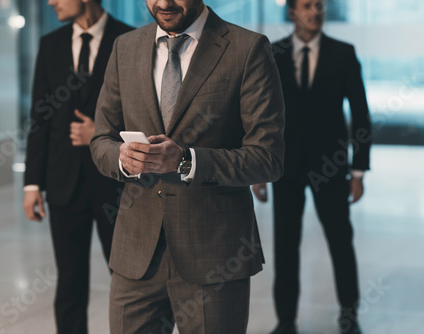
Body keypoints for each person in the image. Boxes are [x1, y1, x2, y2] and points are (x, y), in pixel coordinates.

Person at [90, 0, 285, 332]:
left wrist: (186, 161)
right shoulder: (125, 47)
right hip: (136, 254)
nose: (164, 3)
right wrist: (122, 158)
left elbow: (268, 157)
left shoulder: (247, 49)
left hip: (215, 256)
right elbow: (100, 142)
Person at [252, 0, 371, 333]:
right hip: (285, 167)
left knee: (340, 242)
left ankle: (349, 318)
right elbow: (260, 114)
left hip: (331, 167)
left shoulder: (343, 54)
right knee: (286, 245)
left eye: (318, 6)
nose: (315, 12)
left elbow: (361, 116)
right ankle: (286, 322)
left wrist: (358, 171)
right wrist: (259, 170)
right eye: (307, 6)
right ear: (292, 12)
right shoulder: (273, 54)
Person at [22, 0, 133, 333]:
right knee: (69, 282)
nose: (50, 2)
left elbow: (146, 113)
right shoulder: (50, 44)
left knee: (128, 282)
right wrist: (31, 185)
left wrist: (101, 135)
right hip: (63, 184)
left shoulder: (129, 41)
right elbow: (39, 120)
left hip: (116, 186)